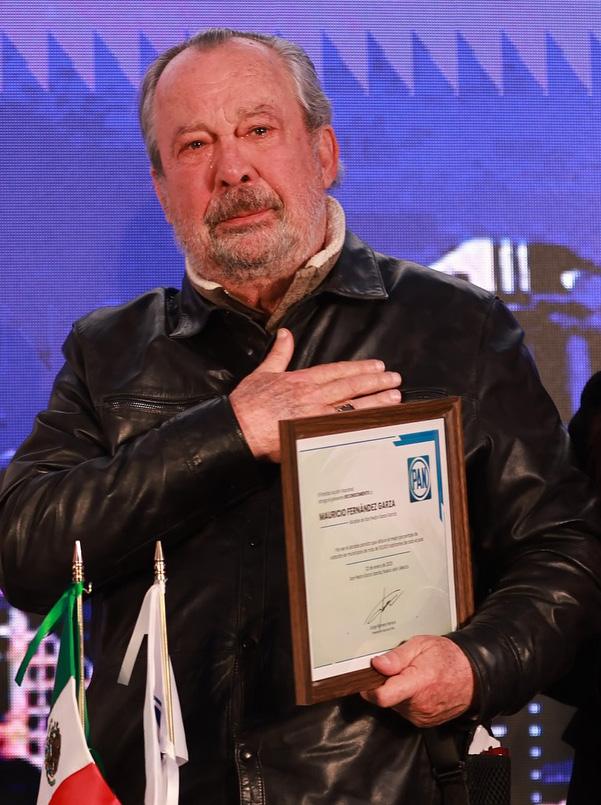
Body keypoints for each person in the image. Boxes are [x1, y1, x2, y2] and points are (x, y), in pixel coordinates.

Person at [1, 27, 601, 805]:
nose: (232, 169)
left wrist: (473, 666)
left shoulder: (457, 326)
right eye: (194, 145)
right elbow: (25, 548)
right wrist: (227, 432)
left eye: (257, 129)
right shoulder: (108, 349)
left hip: (388, 786)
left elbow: (562, 550)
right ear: (162, 187)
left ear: (324, 153)